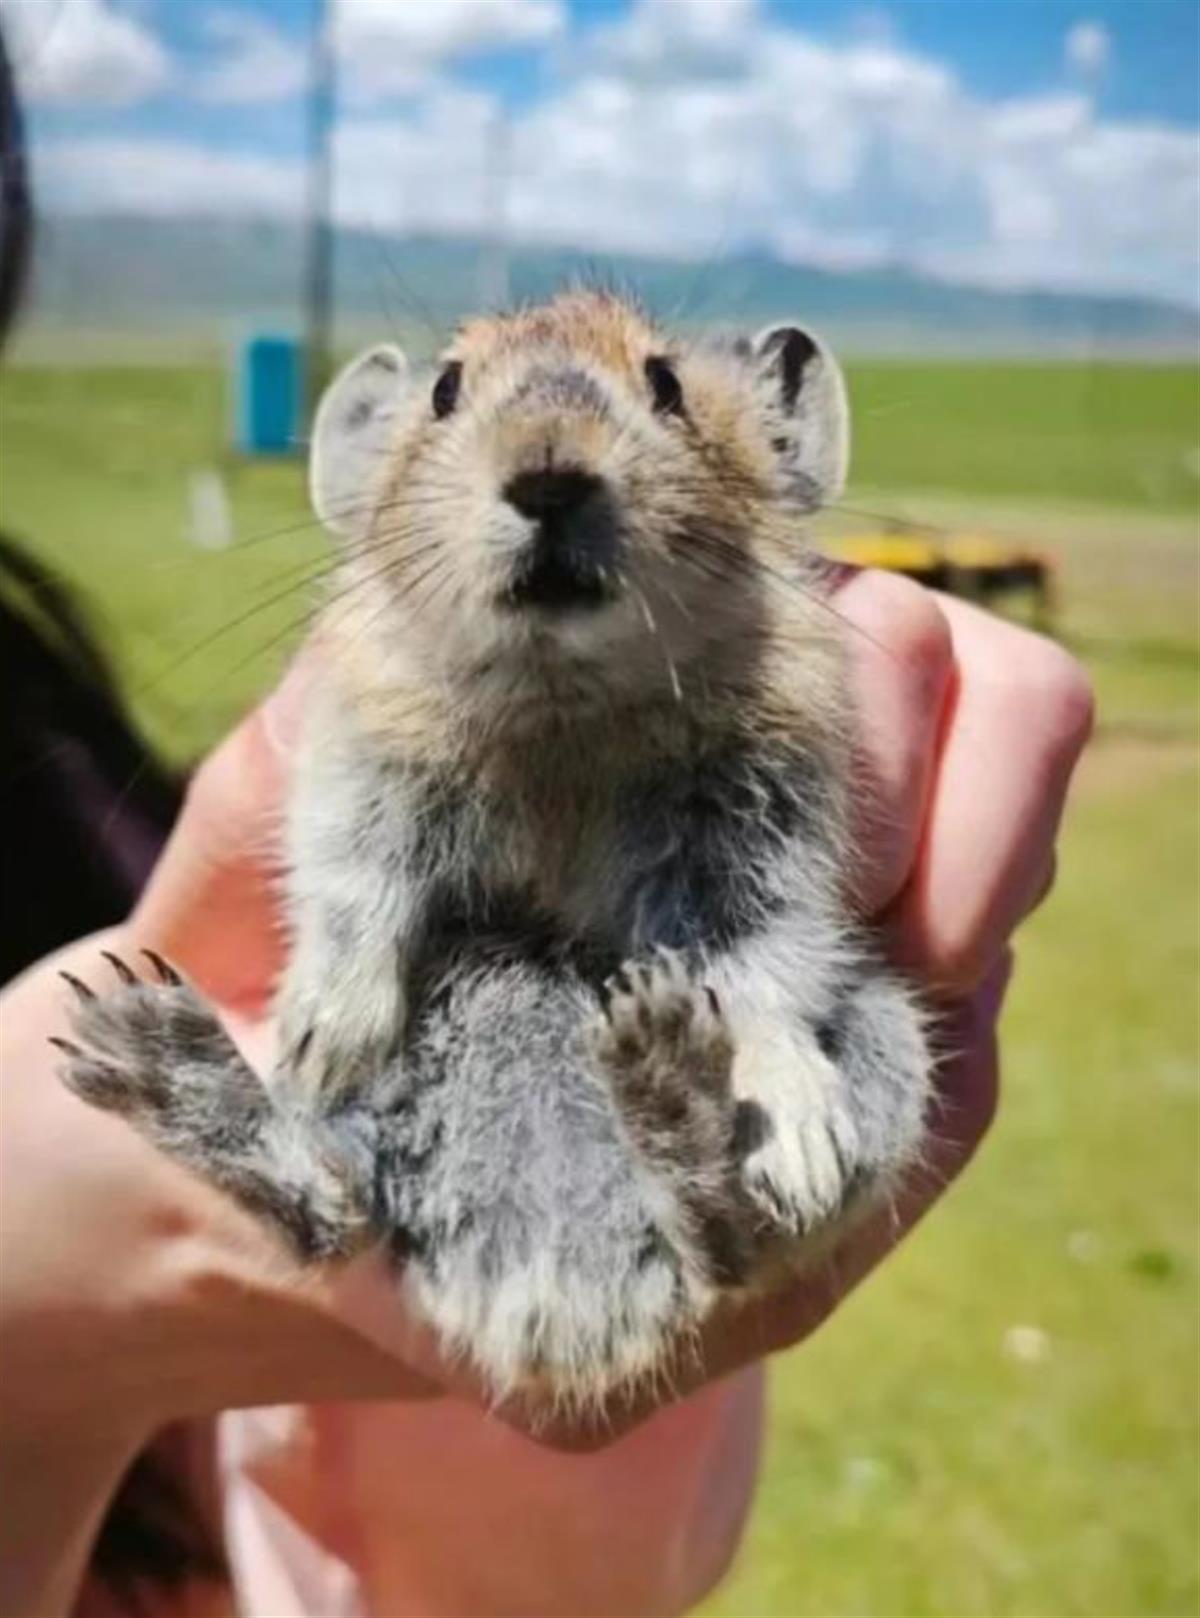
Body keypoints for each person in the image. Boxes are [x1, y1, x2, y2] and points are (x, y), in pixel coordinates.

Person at [1, 564, 1093, 1616]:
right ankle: (315, 1165)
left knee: (866, 1024)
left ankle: (712, 1199)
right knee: (457, 1007)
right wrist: (44, 1342)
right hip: (483, 1157)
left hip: (560, 1224)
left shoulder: (69, 749)